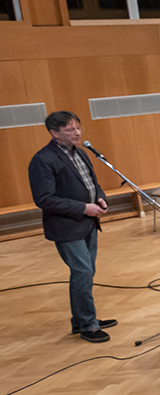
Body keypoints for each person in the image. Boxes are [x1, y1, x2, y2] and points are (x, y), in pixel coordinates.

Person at [29, 110, 117, 343]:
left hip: (87, 223)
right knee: (82, 271)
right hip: (66, 226)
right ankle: (88, 324)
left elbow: (92, 183)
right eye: (70, 130)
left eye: (78, 128)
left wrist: (99, 197)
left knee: (87, 272)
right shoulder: (43, 160)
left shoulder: (81, 153)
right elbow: (44, 199)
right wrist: (82, 208)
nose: (77, 133)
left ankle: (82, 319)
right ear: (54, 133)